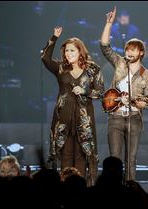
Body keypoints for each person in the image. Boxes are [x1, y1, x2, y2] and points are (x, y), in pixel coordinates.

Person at [41, 26, 104, 186]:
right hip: (63, 118)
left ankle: (81, 189)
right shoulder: (61, 68)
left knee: (82, 155)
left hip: (84, 119)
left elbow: (100, 92)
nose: (68, 54)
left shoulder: (92, 69)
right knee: (66, 155)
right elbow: (45, 58)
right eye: (66, 51)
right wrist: (54, 37)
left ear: (80, 52)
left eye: (72, 51)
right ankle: (64, 189)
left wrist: (85, 91)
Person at [100, 6, 148, 181]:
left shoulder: (147, 75)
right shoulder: (120, 63)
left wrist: (141, 104)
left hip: (134, 119)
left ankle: (130, 191)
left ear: (141, 52)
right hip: (115, 117)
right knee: (114, 161)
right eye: (127, 49)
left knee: (131, 160)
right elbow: (105, 47)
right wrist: (109, 24)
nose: (129, 52)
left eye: (133, 49)